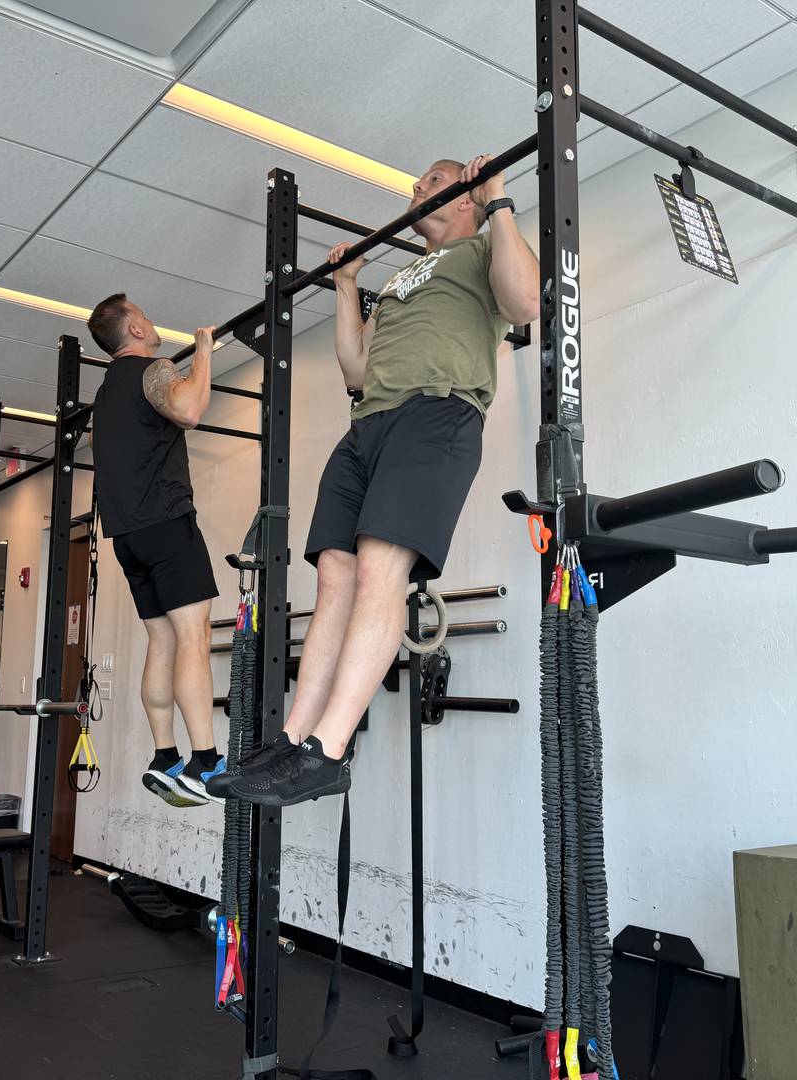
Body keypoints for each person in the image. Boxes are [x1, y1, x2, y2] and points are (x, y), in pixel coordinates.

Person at [216, 155, 540, 806]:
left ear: (466, 199)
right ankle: (295, 737)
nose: (416, 188)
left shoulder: (483, 247)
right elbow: (357, 369)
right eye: (418, 182)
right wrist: (346, 287)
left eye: (432, 181)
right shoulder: (398, 279)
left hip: (438, 414)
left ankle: (329, 751)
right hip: (368, 424)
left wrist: (500, 197)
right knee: (333, 573)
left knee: (377, 570)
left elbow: (527, 300)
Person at [88, 294, 225, 807]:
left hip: (128, 537)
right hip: (167, 524)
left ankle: (164, 755)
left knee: (161, 640)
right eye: (143, 313)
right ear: (136, 330)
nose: (151, 319)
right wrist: (204, 351)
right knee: (193, 636)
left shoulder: (105, 394)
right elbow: (188, 409)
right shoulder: (153, 368)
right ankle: (205, 760)